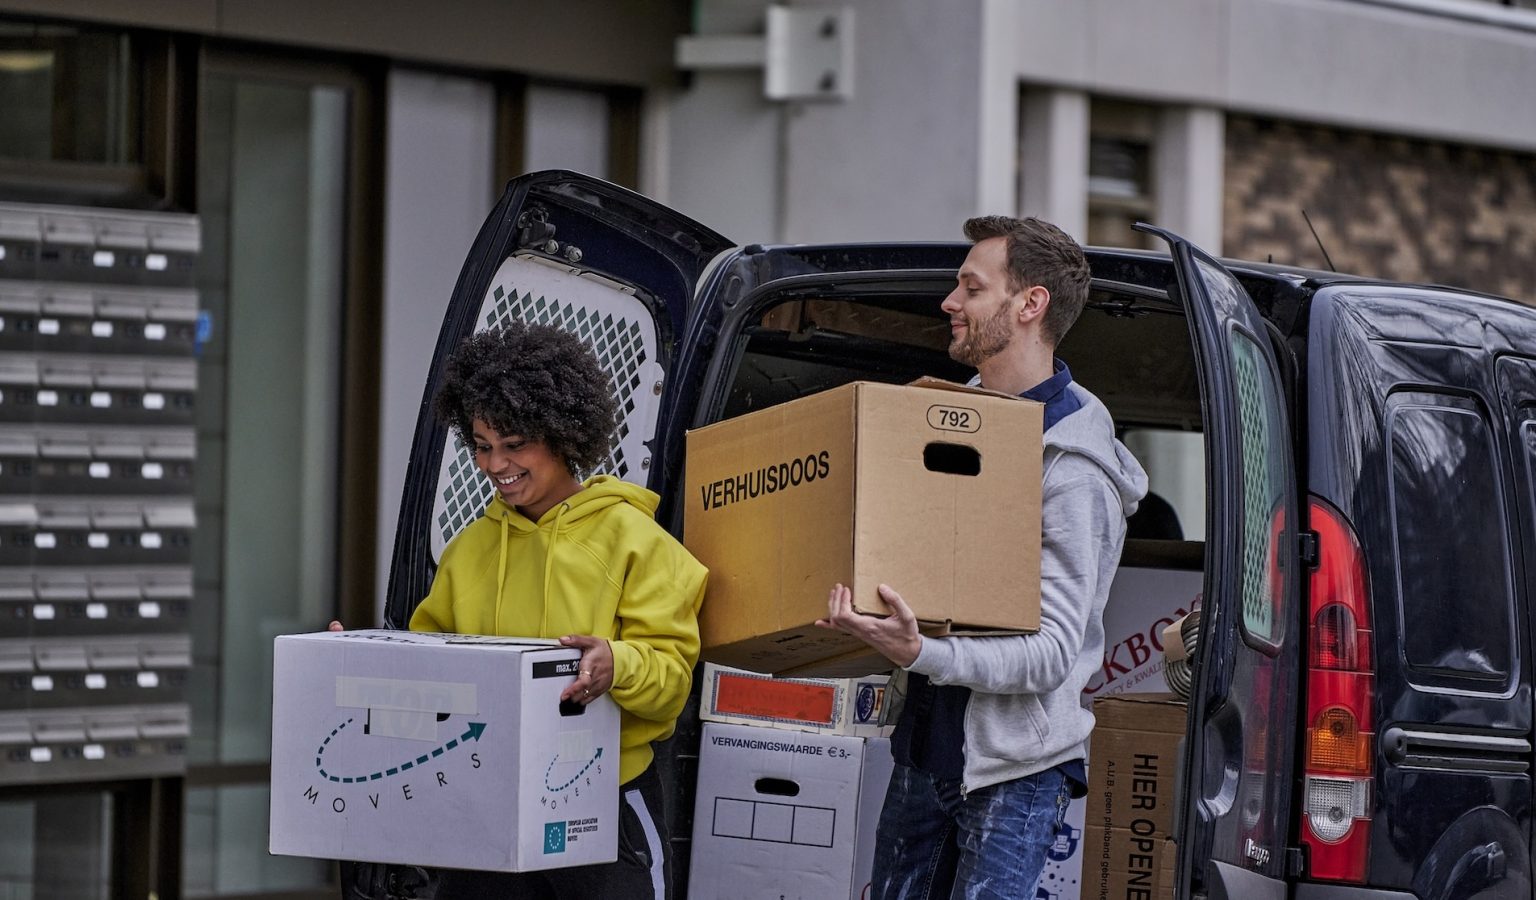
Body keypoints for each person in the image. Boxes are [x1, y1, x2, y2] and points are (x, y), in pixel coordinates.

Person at [816, 216, 1148, 900]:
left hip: (1015, 773)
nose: (949, 302)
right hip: (923, 749)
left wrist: (920, 654)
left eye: (971, 287)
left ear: (1029, 305)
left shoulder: (1073, 468)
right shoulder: (940, 421)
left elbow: (1052, 653)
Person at [333, 321, 707, 899]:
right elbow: (427, 673)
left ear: (564, 434)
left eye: (513, 444)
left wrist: (616, 664)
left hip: (604, 806)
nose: (494, 464)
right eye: (482, 446)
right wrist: (353, 663)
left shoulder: (637, 543)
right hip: (487, 805)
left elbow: (671, 685)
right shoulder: (468, 550)